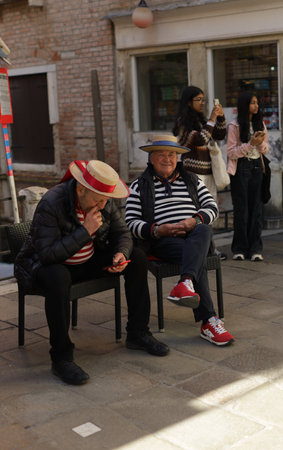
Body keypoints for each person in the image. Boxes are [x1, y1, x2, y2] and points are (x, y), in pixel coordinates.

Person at [14, 160, 169, 386]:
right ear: (81, 189)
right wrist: (85, 230)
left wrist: (120, 254)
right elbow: (47, 254)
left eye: (106, 200)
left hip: (86, 261)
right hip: (46, 267)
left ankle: (138, 333)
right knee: (57, 276)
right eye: (98, 199)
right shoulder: (52, 203)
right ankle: (61, 358)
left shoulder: (103, 200)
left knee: (136, 257)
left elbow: (123, 233)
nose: (103, 204)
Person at [125, 135, 234, 347]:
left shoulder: (191, 179)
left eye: (172, 154)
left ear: (178, 158)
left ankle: (185, 283)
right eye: (162, 155)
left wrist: (193, 221)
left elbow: (212, 208)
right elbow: (131, 222)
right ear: (151, 159)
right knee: (196, 254)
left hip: (193, 235)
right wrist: (158, 230)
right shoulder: (139, 185)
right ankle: (209, 320)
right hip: (162, 241)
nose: (168, 159)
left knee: (202, 230)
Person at [172, 85, 227, 260]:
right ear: (189, 102)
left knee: (210, 210)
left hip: (208, 171)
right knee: (196, 211)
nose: (202, 103)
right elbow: (200, 138)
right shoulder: (183, 123)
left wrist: (220, 118)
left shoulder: (202, 120)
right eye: (199, 100)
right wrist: (211, 119)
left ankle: (211, 247)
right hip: (193, 173)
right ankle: (202, 248)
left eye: (204, 99)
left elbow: (218, 135)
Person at [226, 91, 269, 261]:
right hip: (241, 168)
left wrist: (259, 145)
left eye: (257, 102)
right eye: (252, 103)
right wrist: (250, 144)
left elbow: (266, 149)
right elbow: (231, 153)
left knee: (256, 209)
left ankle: (256, 249)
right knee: (241, 210)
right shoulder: (234, 126)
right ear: (245, 105)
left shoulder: (260, 124)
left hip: (257, 167)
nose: (256, 106)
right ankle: (239, 248)